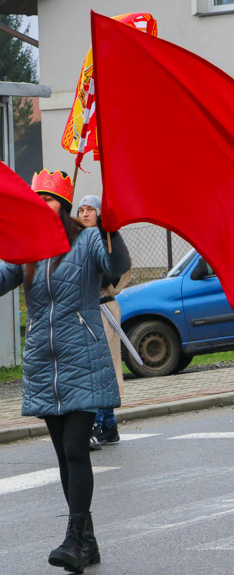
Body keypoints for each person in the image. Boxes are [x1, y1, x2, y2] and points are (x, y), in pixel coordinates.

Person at [0, 170, 130, 573]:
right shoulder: (26, 248)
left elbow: (115, 266)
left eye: (49, 200)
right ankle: (87, 542)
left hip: (84, 358)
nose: (41, 206)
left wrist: (110, 228)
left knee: (76, 449)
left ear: (65, 208)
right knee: (63, 454)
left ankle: (74, 540)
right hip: (44, 362)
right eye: (35, 199)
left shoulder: (88, 239)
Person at [77, 195, 133, 449]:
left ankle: (97, 423)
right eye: (81, 210)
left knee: (103, 368)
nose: (85, 213)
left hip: (102, 308)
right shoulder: (75, 239)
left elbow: (112, 270)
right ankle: (109, 426)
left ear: (99, 214)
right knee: (92, 369)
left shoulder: (106, 239)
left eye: (90, 209)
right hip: (83, 311)